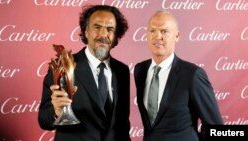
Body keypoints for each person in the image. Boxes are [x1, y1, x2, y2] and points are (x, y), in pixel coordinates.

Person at [38, 5, 131, 141]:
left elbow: (122, 124)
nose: (103, 34)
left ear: (116, 35)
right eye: (97, 27)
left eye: (110, 29)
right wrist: (56, 112)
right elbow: (43, 120)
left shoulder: (122, 71)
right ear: (86, 31)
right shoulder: (63, 65)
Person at [134, 10, 223, 141]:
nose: (157, 36)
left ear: (177, 36)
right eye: (152, 31)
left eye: (164, 31)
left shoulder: (192, 75)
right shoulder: (140, 70)